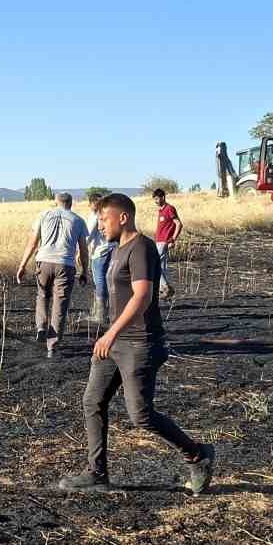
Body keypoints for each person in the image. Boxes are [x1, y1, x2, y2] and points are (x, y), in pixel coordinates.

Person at [57, 193, 214, 494]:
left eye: (104, 219)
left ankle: (198, 455)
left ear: (123, 217)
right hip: (115, 344)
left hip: (140, 344)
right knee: (93, 401)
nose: (100, 225)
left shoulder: (141, 248)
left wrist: (111, 332)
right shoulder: (118, 249)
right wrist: (110, 335)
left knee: (140, 415)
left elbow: (142, 296)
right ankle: (96, 473)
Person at [15, 192, 89, 358]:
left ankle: (41, 327)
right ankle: (52, 347)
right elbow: (83, 250)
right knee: (60, 305)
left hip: (43, 261)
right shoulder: (78, 220)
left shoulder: (43, 215)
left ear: (56, 202)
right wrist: (85, 270)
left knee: (42, 296)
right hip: (66, 265)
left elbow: (32, 243)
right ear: (71, 203)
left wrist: (22, 265)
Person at [84, 196, 115, 324]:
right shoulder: (108, 214)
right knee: (107, 279)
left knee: (99, 280)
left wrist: (81, 250)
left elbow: (88, 236)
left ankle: (100, 314)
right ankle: (104, 311)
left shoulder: (95, 217)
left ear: (91, 203)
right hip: (110, 248)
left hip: (100, 252)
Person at [151, 189, 181, 300]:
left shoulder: (169, 209)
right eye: (154, 199)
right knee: (162, 267)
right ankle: (164, 290)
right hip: (158, 241)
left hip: (164, 242)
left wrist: (173, 239)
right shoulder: (161, 211)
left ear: (163, 197)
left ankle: (166, 288)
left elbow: (178, 224)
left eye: (157, 198)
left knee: (155, 266)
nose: (156, 201)